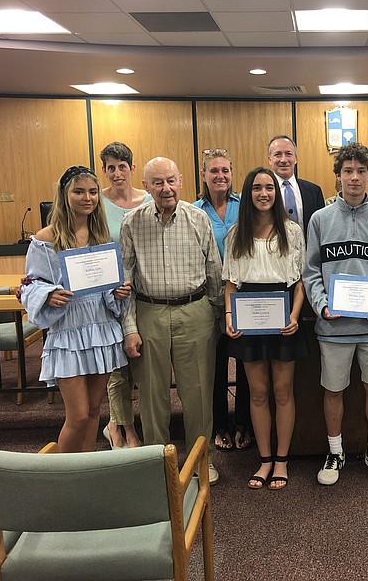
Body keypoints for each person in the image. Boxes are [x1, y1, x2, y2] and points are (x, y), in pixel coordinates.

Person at [303, 142, 368, 485]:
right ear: (338, 177)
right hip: (333, 326)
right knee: (334, 390)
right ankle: (335, 452)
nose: (355, 177)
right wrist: (322, 305)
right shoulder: (320, 220)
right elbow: (311, 270)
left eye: (361, 171)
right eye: (348, 171)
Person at [120, 157, 222, 484]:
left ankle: (199, 460)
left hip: (195, 310)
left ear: (181, 181)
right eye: (158, 182)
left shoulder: (198, 218)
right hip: (149, 311)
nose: (166, 189)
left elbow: (214, 272)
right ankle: (157, 462)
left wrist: (217, 315)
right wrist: (130, 328)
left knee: (198, 393)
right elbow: (125, 280)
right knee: (152, 395)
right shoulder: (131, 223)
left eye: (171, 181)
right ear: (147, 186)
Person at [19, 166, 130, 452]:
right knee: (78, 415)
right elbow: (29, 285)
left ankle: (84, 467)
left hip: (101, 327)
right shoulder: (46, 238)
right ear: (64, 194)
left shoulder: (102, 237)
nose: (87, 198)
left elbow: (106, 285)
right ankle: (61, 477)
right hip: (69, 330)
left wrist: (117, 291)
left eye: (93, 192)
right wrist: (48, 294)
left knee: (94, 410)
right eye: (79, 191)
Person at [223, 166, 309, 490]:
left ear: (277, 193)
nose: (264, 193)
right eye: (257, 188)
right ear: (248, 194)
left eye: (269, 188)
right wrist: (231, 317)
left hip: (283, 316)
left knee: (283, 392)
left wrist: (295, 316)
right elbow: (231, 285)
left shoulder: (292, 231)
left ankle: (282, 460)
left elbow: (299, 285)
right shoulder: (236, 234)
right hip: (249, 316)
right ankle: (264, 460)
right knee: (258, 394)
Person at [193, 148, 253, 452]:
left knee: (245, 363)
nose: (220, 176)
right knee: (213, 367)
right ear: (204, 174)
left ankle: (243, 421)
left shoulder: (245, 206)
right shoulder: (192, 210)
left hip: (242, 298)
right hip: (206, 298)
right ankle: (220, 424)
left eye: (225, 171)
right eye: (214, 171)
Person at [98, 141, 152, 449]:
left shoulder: (147, 199)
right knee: (118, 367)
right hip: (112, 294)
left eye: (122, 166)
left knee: (141, 364)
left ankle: (114, 423)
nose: (117, 173)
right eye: (110, 168)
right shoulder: (98, 203)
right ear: (104, 171)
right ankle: (125, 430)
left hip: (145, 292)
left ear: (132, 168)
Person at [267, 135, 324, 239]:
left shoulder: (314, 192)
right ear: (270, 160)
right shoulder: (263, 193)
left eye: (288, 154)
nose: (283, 160)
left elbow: (321, 229)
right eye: (278, 154)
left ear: (295, 159)